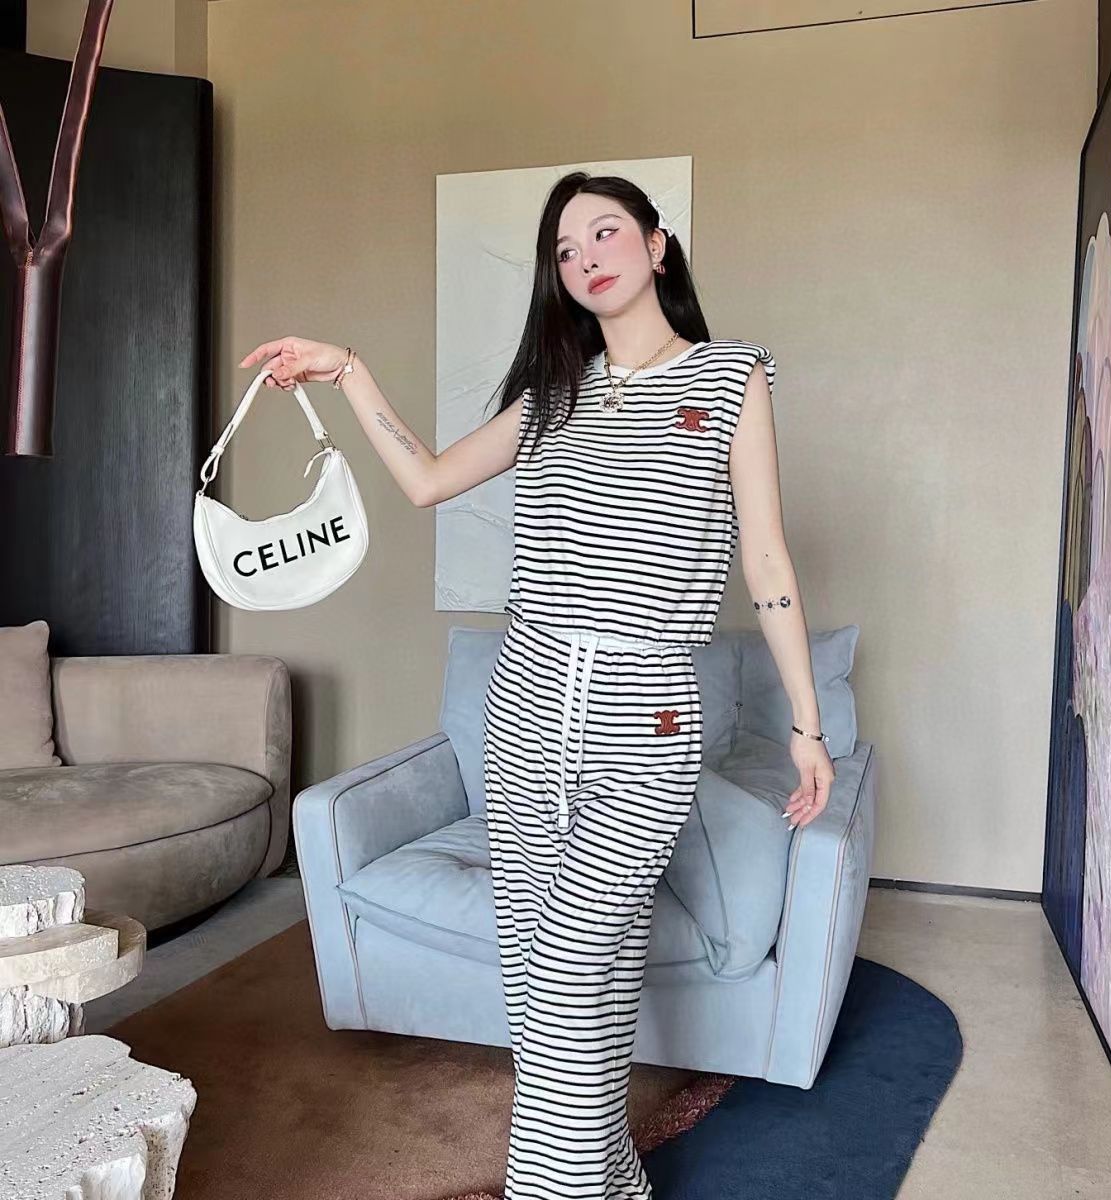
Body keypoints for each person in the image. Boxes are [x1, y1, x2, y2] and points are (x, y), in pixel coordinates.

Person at [239, 170, 835, 1200]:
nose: (585, 257)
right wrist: (349, 372)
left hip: (644, 729)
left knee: (567, 969)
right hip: (520, 721)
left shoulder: (731, 376)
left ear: (657, 245)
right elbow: (427, 480)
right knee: (551, 989)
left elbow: (766, 558)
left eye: (605, 233)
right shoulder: (553, 397)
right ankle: (616, 1183)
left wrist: (807, 727)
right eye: (565, 249)